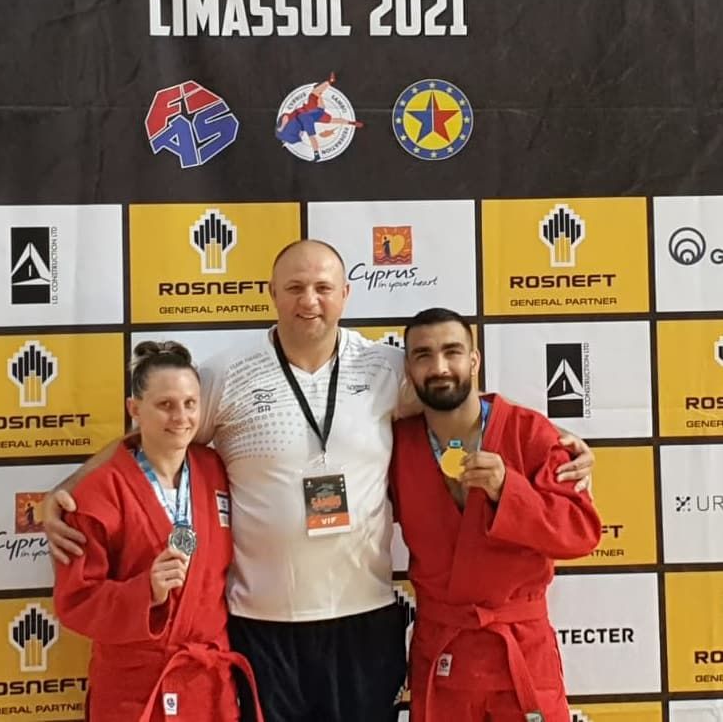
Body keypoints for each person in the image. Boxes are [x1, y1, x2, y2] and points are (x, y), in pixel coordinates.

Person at [45, 240, 594, 722]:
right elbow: (157, 434)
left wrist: (551, 438)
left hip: (364, 617)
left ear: (345, 295)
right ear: (272, 294)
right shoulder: (226, 373)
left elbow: (455, 396)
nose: (309, 301)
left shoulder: (385, 367)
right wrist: (67, 488)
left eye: (323, 288)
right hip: (263, 620)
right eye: (295, 288)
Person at [390, 308, 602, 722]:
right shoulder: (396, 444)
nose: (440, 367)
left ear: (474, 360)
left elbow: (580, 532)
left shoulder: (529, 433)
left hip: (520, 653)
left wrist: (509, 490)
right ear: (408, 370)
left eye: (452, 352)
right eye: (423, 355)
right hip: (443, 656)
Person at [52, 341, 262, 722]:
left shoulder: (215, 469)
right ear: (135, 409)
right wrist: (145, 592)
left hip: (206, 685)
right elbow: (76, 601)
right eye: (165, 405)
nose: (180, 417)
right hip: (136, 689)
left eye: (190, 404)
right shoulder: (98, 494)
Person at [275, 72, 363, 161]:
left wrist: (316, 154)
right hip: (310, 112)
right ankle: (329, 82)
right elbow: (286, 121)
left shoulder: (296, 127)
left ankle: (352, 123)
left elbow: (307, 136)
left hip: (315, 114)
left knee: (331, 119)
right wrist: (283, 130)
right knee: (315, 94)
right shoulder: (291, 123)